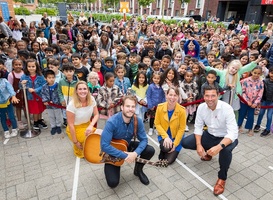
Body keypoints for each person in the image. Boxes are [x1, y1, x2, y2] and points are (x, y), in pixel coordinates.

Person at [182, 85, 238, 196]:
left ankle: (222, 178)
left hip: (226, 137)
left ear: (218, 95)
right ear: (203, 96)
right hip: (210, 134)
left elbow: (233, 133)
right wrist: (199, 145)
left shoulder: (227, 108)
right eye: (207, 95)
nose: (210, 99)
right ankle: (209, 152)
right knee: (185, 142)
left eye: (213, 95)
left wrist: (219, 147)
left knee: (225, 152)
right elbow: (198, 127)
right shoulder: (202, 107)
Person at [101, 95, 155, 188]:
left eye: (133, 106)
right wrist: (125, 156)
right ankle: (113, 166)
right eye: (127, 106)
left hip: (127, 145)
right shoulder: (112, 122)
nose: (130, 109)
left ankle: (138, 170)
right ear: (122, 107)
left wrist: (135, 153)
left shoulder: (137, 121)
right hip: (113, 151)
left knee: (150, 150)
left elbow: (144, 140)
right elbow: (104, 146)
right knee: (113, 183)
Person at [66, 81, 99, 158]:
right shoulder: (71, 105)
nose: (83, 91)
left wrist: (91, 125)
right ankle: (79, 146)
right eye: (80, 89)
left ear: (88, 90)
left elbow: (97, 114)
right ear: (76, 91)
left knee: (99, 135)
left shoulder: (92, 99)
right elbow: (71, 125)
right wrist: (75, 142)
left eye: (84, 89)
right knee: (90, 138)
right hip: (75, 128)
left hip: (87, 125)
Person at [154, 87, 186, 164]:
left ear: (178, 97)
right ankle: (164, 149)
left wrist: (175, 144)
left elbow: (182, 129)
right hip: (164, 135)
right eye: (170, 95)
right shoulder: (160, 107)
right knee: (165, 148)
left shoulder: (182, 110)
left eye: (175, 95)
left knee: (168, 162)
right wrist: (166, 137)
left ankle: (170, 149)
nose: (172, 97)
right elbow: (157, 123)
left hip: (176, 137)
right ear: (166, 95)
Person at [20, 59, 47, 130]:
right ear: (26, 67)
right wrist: (22, 84)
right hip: (30, 97)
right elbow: (20, 86)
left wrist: (36, 90)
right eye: (29, 66)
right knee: (35, 110)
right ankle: (35, 122)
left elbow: (44, 85)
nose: (31, 68)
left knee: (40, 109)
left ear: (36, 67)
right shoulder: (24, 76)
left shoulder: (40, 76)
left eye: (33, 66)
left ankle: (40, 120)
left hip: (39, 96)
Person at [0, 70, 19, 138]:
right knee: (2, 118)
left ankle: (14, 128)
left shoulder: (4, 81)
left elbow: (10, 88)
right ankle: (6, 130)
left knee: (11, 116)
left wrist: (13, 96)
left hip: (8, 102)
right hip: (0, 105)